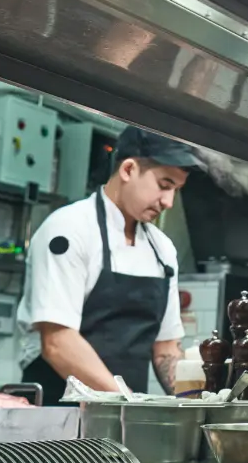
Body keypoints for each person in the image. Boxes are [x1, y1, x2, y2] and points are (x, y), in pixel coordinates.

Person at [18, 126, 204, 404]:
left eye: (176, 190)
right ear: (128, 170)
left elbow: (165, 349)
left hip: (122, 420)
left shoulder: (162, 250)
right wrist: (127, 405)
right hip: (57, 418)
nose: (168, 202)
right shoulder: (69, 229)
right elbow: (58, 343)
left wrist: (198, 404)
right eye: (164, 186)